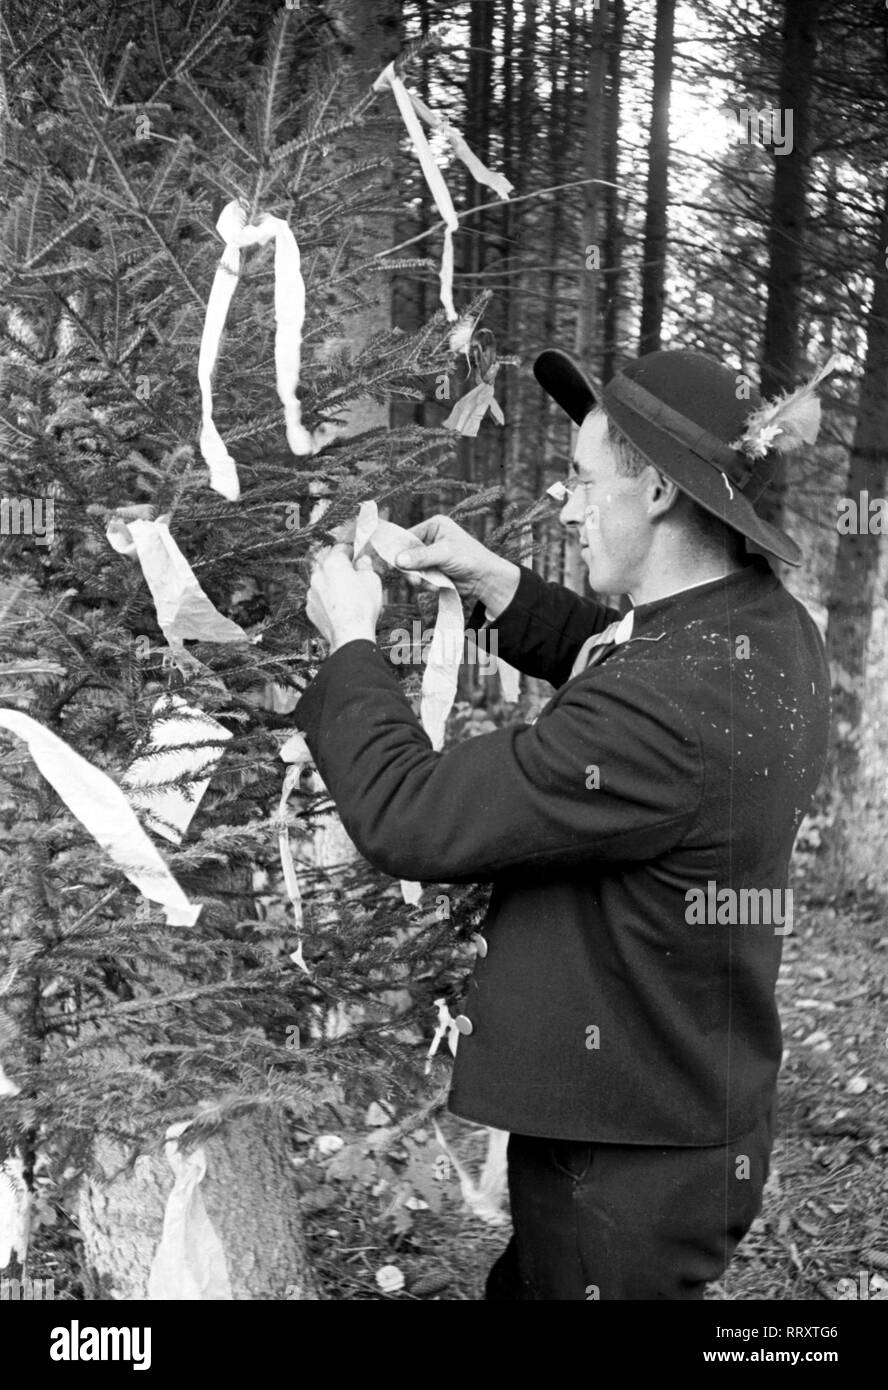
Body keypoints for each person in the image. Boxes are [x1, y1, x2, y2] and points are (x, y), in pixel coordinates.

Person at [296, 347, 832, 1300]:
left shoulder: (665, 707)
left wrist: (350, 646)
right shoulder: (756, 628)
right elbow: (615, 654)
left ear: (660, 491)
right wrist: (495, 584)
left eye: (584, 483)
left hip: (623, 1163)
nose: (567, 506)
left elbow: (411, 816)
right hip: (665, 1115)